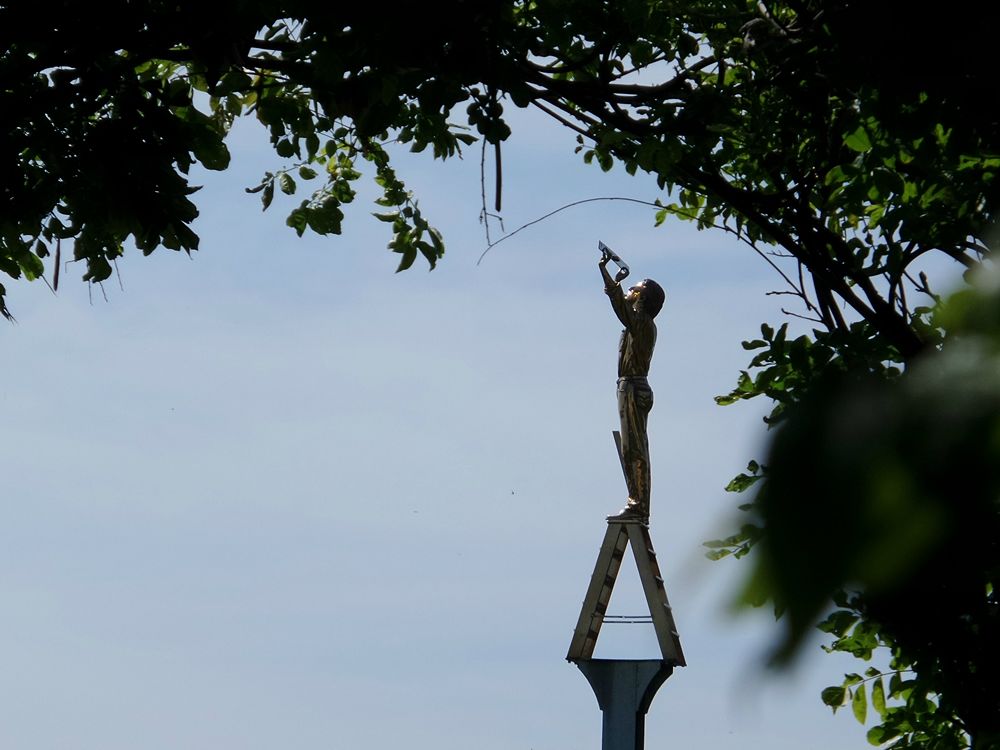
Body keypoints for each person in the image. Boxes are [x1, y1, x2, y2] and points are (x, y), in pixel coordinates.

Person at [599, 251, 665, 520]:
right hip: (633, 387)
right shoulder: (639, 324)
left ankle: (637, 505)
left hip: (633, 388)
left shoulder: (641, 322)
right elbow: (621, 307)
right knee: (635, 447)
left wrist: (605, 272)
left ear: (642, 298)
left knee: (634, 448)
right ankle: (639, 503)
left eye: (634, 287)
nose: (629, 289)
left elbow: (619, 306)